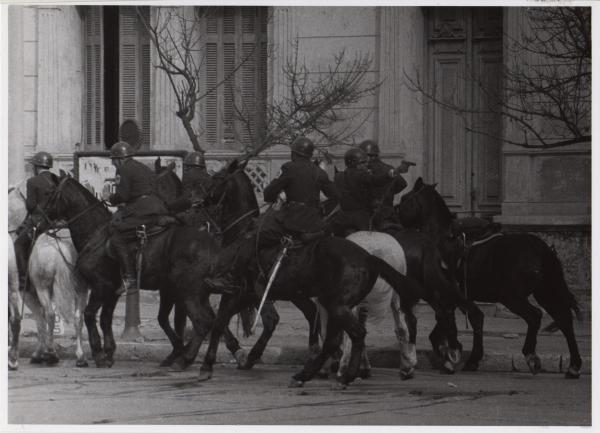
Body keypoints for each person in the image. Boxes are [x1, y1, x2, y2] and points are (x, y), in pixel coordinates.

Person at [205, 136, 338, 292]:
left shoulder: (289, 168)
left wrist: (278, 196)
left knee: (252, 237)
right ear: (309, 154)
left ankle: (231, 278)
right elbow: (336, 195)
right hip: (315, 224)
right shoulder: (319, 172)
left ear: (294, 154)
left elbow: (268, 193)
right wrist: (317, 207)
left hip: (292, 222)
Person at [102, 141, 169, 296]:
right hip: (158, 207)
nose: (113, 163)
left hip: (142, 210)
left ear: (119, 159)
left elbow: (123, 195)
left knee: (117, 235)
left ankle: (129, 277)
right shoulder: (143, 167)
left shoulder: (123, 169)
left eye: (113, 160)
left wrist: (109, 197)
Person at [331, 147, 406, 236]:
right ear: (354, 163)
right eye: (362, 162)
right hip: (361, 220)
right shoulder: (361, 175)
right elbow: (376, 180)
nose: (365, 165)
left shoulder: (338, 176)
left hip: (342, 218)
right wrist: (395, 171)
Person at [14, 151, 57, 288]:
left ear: (37, 167)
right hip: (57, 222)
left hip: (40, 222)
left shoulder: (32, 182)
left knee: (19, 245)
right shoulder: (57, 179)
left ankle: (23, 279)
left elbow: (31, 206)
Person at [359, 139, 412, 229]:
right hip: (388, 213)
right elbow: (402, 184)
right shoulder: (388, 168)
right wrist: (389, 192)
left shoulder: (363, 170)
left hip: (368, 214)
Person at [166, 151, 213, 228]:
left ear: (188, 166)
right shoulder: (208, 177)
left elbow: (186, 197)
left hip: (194, 212)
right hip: (208, 212)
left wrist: (170, 206)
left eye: (186, 166)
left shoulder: (189, 175)